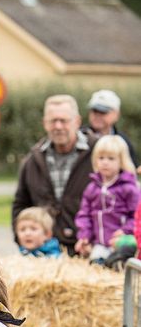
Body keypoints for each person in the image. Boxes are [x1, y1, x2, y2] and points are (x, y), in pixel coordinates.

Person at [11, 95, 96, 256]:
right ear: (45, 123)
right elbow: (20, 204)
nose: (58, 126)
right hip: (44, 254)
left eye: (64, 120)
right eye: (53, 121)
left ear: (77, 121)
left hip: (87, 252)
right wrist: (23, 240)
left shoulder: (98, 153)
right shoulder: (32, 160)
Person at [74, 135, 139, 263]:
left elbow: (136, 216)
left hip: (121, 243)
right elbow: (84, 215)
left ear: (121, 161)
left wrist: (125, 231)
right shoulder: (92, 188)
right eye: (101, 158)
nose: (105, 162)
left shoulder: (129, 188)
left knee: (118, 266)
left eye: (111, 158)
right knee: (96, 266)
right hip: (99, 244)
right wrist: (85, 236)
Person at [85, 89, 138, 169]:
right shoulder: (80, 137)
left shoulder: (123, 141)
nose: (97, 116)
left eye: (103, 112)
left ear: (116, 114)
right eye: (95, 111)